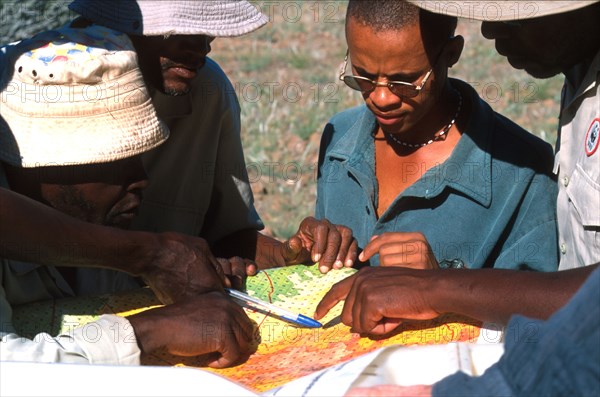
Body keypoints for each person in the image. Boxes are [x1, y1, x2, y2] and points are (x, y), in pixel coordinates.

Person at [0, 25, 255, 367]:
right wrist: (150, 332)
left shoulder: (102, 219)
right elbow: (13, 370)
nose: (142, 179)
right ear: (44, 167)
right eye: (115, 161)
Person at [313, 0, 560, 331]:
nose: (381, 97)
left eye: (405, 81)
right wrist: (312, 250)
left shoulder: (524, 172)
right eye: (364, 76)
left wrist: (441, 285)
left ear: (451, 54)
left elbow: (542, 319)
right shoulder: (339, 139)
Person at [66, 0, 358, 274]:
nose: (202, 46)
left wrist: (289, 254)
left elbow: (226, 237)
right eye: (179, 28)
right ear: (112, 22)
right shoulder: (44, 90)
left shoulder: (206, 91)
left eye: (207, 29)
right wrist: (156, 259)